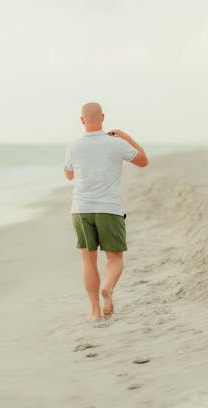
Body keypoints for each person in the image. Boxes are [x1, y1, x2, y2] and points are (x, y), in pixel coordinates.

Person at [63, 102, 149, 320]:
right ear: (102, 117)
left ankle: (94, 312)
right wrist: (125, 136)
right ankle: (108, 289)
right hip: (109, 208)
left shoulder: (73, 146)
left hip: (81, 208)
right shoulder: (116, 143)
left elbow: (69, 175)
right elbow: (143, 161)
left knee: (88, 260)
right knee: (115, 258)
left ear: (82, 120)